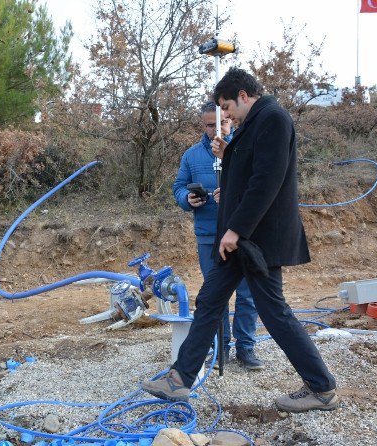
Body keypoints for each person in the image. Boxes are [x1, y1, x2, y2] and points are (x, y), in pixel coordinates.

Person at [143, 68, 338, 413]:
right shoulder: (256, 122)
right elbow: (250, 170)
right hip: (239, 239)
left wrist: (236, 230)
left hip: (255, 239)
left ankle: (321, 387)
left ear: (244, 96)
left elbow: (266, 181)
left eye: (227, 106)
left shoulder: (274, 119)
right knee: (210, 299)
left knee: (273, 311)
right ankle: (180, 378)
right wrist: (226, 155)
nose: (225, 115)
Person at [172, 101, 263, 370]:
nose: (216, 130)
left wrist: (234, 195)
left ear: (231, 120)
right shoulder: (191, 156)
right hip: (209, 235)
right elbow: (178, 187)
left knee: (247, 293)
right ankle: (220, 347)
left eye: (221, 123)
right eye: (210, 125)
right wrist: (187, 198)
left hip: (243, 233)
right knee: (215, 294)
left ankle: (246, 347)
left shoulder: (247, 149)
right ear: (203, 125)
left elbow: (261, 186)